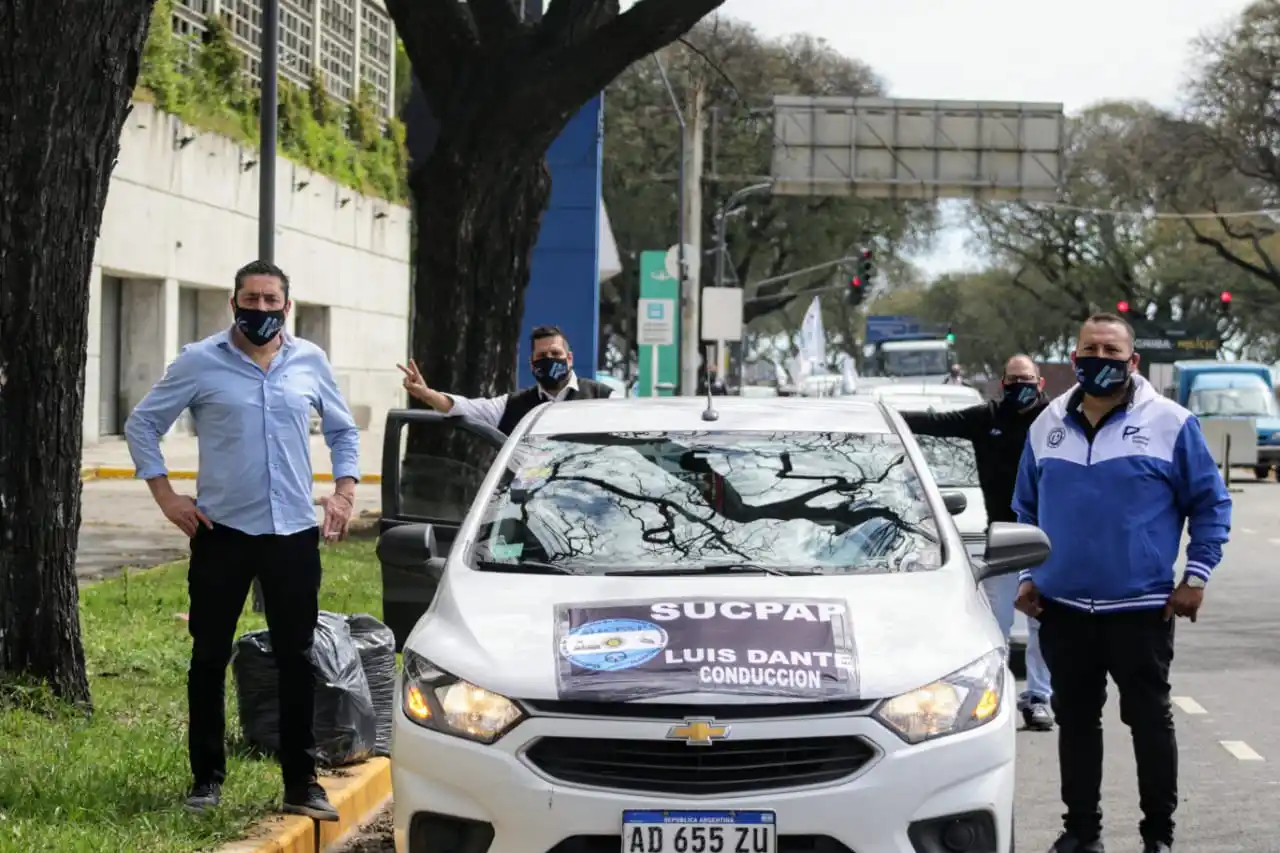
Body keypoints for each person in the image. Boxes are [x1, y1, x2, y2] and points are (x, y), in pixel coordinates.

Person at [124, 260, 360, 821]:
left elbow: (342, 429)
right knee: (208, 657)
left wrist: (345, 492)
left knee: (296, 657)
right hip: (222, 533)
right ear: (234, 303)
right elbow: (142, 424)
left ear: (286, 306)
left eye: (269, 300)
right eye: (249, 300)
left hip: (293, 534)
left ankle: (301, 784)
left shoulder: (309, 361)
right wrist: (167, 497)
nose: (259, 309)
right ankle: (206, 781)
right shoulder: (199, 361)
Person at [1013, 313, 1231, 853]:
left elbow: (1211, 504)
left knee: (1149, 724)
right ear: (1073, 359)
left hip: (1141, 610)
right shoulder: (1045, 428)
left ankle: (1158, 834)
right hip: (1062, 610)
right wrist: (1025, 574)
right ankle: (1081, 833)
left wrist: (1196, 577)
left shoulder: (1173, 423)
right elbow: (1024, 509)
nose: (1101, 358)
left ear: (1133, 361)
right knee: (1077, 723)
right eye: (1091, 348)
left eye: (1112, 350)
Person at [898, 354, 1054, 730]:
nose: (1020, 386)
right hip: (1003, 539)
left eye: (1027, 379)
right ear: (1002, 383)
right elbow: (933, 424)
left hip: (1047, 539)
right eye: (1013, 379)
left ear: (1041, 383)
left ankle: (1038, 699)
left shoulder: (1056, 420)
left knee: (1041, 627)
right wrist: (882, 417)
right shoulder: (986, 418)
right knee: (995, 626)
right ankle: (994, 696)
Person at [398, 325, 612, 434]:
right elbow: (464, 407)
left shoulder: (603, 397)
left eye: (555, 354)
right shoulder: (512, 405)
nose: (549, 361)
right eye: (541, 357)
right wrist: (427, 394)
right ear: (531, 363)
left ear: (569, 358)